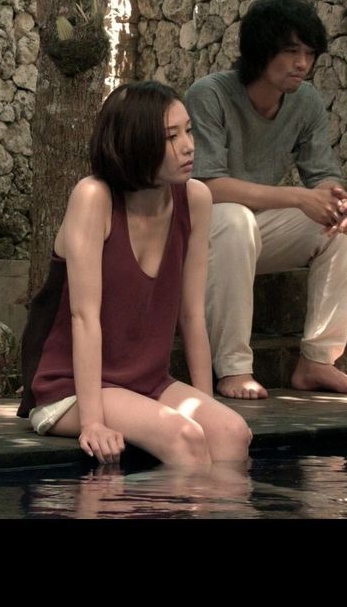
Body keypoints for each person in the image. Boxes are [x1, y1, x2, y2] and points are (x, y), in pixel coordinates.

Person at [17, 81, 251, 466]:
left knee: (231, 433)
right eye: (171, 137)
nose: (188, 146)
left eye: (188, 131)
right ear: (135, 143)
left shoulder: (195, 199)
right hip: (70, 389)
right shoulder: (94, 198)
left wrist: (206, 404)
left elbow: (192, 315)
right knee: (185, 438)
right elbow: (83, 316)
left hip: (148, 383)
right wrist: (93, 423)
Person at [185, 0, 347, 400]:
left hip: (254, 233)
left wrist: (334, 200)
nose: (302, 63)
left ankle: (317, 361)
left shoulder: (306, 102)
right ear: (261, 50)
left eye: (309, 53)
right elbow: (206, 186)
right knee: (233, 218)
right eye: (291, 51)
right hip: (200, 236)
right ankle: (233, 368)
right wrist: (298, 197)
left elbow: (322, 174)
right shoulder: (210, 95)